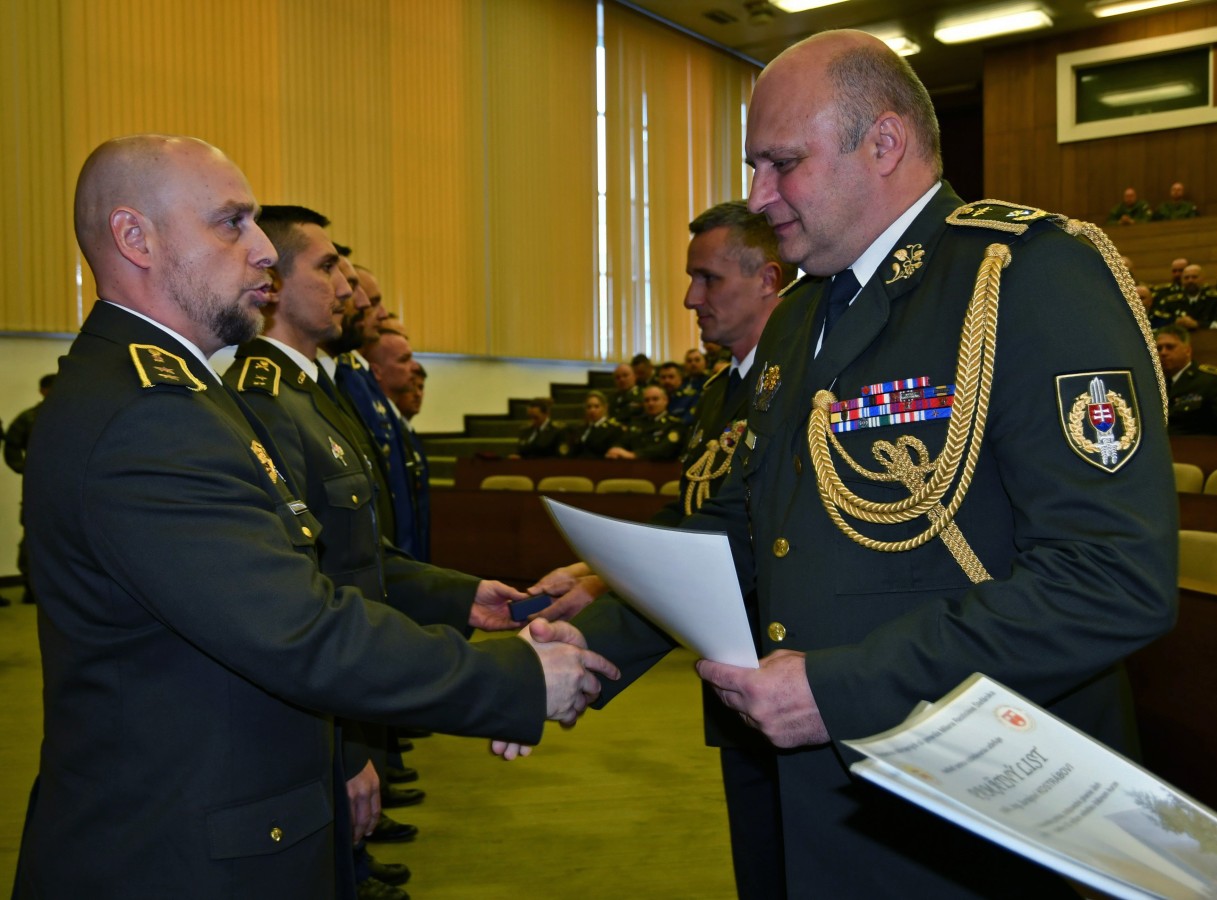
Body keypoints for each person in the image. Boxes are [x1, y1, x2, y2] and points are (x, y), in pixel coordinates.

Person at [545, 32, 1176, 897]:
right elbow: (747, 528)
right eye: (753, 167)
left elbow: (1111, 578)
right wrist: (590, 645)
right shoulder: (801, 316)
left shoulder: (1022, 275)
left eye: (782, 164)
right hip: (816, 791)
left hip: (980, 811)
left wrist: (841, 690)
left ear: (883, 143)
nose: (758, 197)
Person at [15, 134, 618, 899]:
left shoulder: (176, 396)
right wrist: (514, 680)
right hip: (181, 854)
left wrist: (460, 605)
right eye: (231, 223)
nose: (264, 250)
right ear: (136, 238)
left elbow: (309, 564)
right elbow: (292, 628)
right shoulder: (148, 414)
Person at [532, 199, 794, 898]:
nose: (689, 298)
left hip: (788, 673)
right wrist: (596, 575)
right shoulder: (722, 390)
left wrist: (585, 646)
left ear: (768, 278)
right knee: (761, 867)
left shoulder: (801, 386)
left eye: (708, 279)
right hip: (732, 673)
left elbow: (734, 537)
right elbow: (696, 512)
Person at [4, 373, 53, 605]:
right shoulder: (29, 418)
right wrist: (26, 470)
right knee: (32, 538)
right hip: (37, 490)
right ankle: (30, 586)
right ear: (42, 391)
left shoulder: (74, 415)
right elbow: (11, 446)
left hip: (68, 488)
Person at [1156, 324, 1217, 435]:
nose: (1163, 353)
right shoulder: (1153, 385)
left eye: (1170, 347)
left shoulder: (1209, 382)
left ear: (1187, 350)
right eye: (1159, 348)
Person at [605, 384, 686, 461]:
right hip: (634, 467)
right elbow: (623, 441)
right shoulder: (636, 422)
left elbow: (664, 449)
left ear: (665, 400)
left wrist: (635, 455)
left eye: (655, 399)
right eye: (646, 400)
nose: (650, 403)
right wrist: (615, 449)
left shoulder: (674, 424)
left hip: (662, 467)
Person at [1155, 263, 1217, 329]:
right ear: (1181, 280)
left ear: (1202, 279)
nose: (1190, 280)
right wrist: (1175, 322)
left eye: (1194, 277)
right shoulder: (1171, 301)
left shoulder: (1213, 299)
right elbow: (1159, 323)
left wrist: (1197, 324)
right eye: (1186, 278)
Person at [567, 390, 622, 458]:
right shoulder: (582, 428)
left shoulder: (612, 429)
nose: (592, 410)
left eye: (596, 406)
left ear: (605, 408)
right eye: (589, 407)